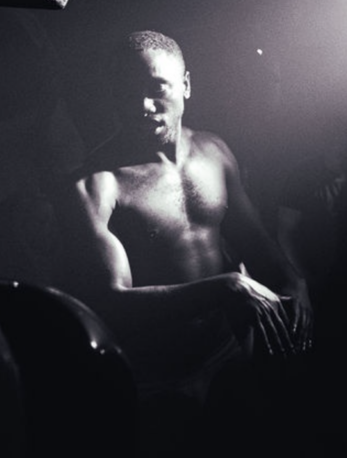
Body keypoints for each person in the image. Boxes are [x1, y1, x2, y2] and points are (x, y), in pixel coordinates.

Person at [54, 30, 313, 412]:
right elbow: (112, 303)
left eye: (157, 88)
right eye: (127, 93)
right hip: (156, 378)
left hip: (228, 352)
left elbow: (253, 240)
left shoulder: (214, 152)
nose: (143, 105)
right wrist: (225, 288)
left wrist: (293, 280)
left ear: (186, 85)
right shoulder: (96, 185)